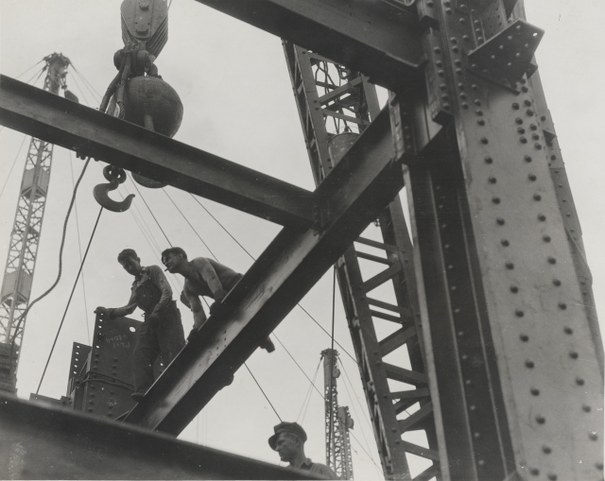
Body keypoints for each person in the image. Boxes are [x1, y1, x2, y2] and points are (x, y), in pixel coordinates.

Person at [95, 248, 185, 401]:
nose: (129, 269)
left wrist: (157, 310)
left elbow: (167, 292)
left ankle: (179, 386)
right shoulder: (136, 285)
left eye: (130, 264)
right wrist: (109, 312)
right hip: (151, 319)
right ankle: (144, 391)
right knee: (140, 354)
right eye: (125, 267)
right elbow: (129, 308)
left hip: (167, 314)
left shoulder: (153, 271)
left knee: (171, 352)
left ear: (138, 259)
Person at [160, 246, 274, 352]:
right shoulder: (188, 288)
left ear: (180, 255)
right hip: (226, 299)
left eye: (168, 258)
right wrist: (198, 330)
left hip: (239, 285)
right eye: (164, 262)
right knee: (229, 316)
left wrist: (219, 298)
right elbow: (197, 311)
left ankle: (263, 336)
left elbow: (211, 277)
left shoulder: (199, 262)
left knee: (221, 310)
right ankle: (262, 337)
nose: (166, 263)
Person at [268, 422, 338, 479]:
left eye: (281, 442)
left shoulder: (321, 471)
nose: (277, 449)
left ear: (296, 441)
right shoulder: (280, 477)